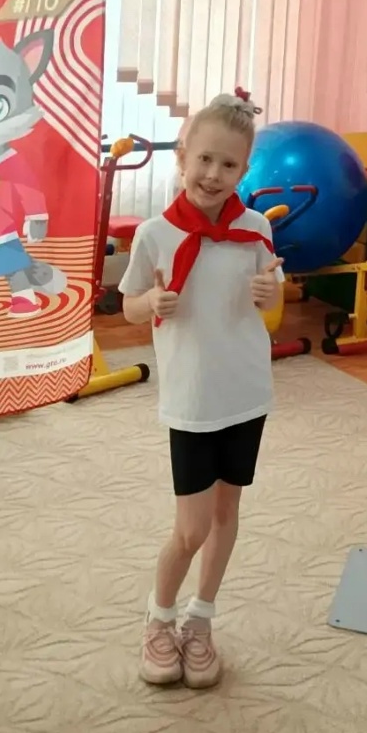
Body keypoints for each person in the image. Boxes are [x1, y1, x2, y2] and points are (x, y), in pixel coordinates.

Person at [120, 90, 284, 689]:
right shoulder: (154, 234)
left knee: (225, 513)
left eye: (229, 164)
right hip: (192, 399)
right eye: (205, 159)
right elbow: (128, 307)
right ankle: (158, 617)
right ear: (183, 156)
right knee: (189, 530)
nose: (214, 174)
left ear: (244, 170)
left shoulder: (256, 228)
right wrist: (151, 302)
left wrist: (273, 295)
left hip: (246, 391)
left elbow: (272, 299)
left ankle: (200, 618)